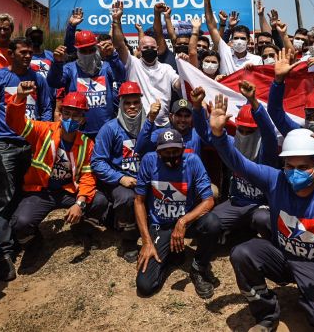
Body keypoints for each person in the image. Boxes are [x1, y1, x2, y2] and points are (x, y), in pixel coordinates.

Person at [209, 95, 314, 332]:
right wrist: (219, 137)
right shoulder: (275, 180)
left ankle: (312, 299)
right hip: (283, 257)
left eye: (303, 167)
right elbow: (239, 164)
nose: (294, 172)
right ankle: (266, 315)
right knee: (243, 253)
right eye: (289, 166)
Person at [0, 37, 53, 281]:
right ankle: (4, 253)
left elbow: (45, 108)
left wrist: (41, 133)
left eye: (30, 52)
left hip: (30, 144)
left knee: (25, 193)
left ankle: (23, 237)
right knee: (3, 198)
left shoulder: (38, 79)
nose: (27, 56)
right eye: (22, 52)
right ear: (10, 53)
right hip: (5, 143)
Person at [7, 82, 108, 254]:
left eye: (76, 115)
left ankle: (81, 229)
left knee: (99, 201)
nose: (70, 119)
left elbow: (87, 176)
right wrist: (20, 98)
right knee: (20, 222)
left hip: (68, 191)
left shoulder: (87, 144)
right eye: (66, 113)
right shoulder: (43, 130)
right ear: (59, 115)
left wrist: (80, 203)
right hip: (41, 192)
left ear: (83, 119)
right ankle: (34, 243)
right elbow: (15, 123)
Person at [134, 128, 220, 299]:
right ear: (158, 152)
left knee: (212, 223)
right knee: (145, 287)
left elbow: (209, 200)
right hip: (160, 224)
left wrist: (183, 221)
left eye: (175, 151)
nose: (171, 155)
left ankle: (198, 268)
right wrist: (146, 241)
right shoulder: (149, 161)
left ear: (183, 149)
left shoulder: (193, 161)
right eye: (166, 152)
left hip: (186, 222)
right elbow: (139, 201)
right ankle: (170, 257)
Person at [192, 82, 278, 239]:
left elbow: (269, 133)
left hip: (260, 206)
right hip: (236, 203)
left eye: (250, 131)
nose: (244, 135)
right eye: (241, 130)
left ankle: (270, 248)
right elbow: (207, 134)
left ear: (258, 131)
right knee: (208, 222)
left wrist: (254, 102)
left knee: (263, 219)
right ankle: (202, 260)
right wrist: (197, 109)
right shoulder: (231, 143)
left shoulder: (267, 151)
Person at [91, 81, 147, 262]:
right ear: (120, 104)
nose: (132, 107)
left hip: (144, 179)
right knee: (127, 198)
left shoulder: (149, 126)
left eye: (135, 102)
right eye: (127, 103)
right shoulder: (110, 129)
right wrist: (120, 178)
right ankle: (128, 239)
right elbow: (98, 162)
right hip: (120, 181)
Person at [110, 1, 181, 126]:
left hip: (163, 125)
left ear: (158, 49)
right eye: (145, 48)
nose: (149, 50)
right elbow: (119, 45)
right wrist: (116, 21)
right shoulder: (133, 63)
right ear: (138, 49)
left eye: (152, 48)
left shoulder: (166, 68)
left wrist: (185, 68)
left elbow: (178, 85)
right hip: (137, 125)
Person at [47, 29, 125, 139]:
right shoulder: (70, 69)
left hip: (106, 131)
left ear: (96, 48)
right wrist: (57, 63)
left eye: (91, 50)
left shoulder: (106, 67)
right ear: (77, 51)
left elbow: (121, 76)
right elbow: (53, 82)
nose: (88, 54)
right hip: (78, 131)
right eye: (84, 51)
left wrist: (113, 56)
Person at [203, 0, 262, 74]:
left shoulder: (256, 60)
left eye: (242, 38)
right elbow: (212, 27)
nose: (239, 41)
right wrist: (207, 1)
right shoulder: (224, 52)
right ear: (232, 40)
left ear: (248, 40)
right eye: (236, 38)